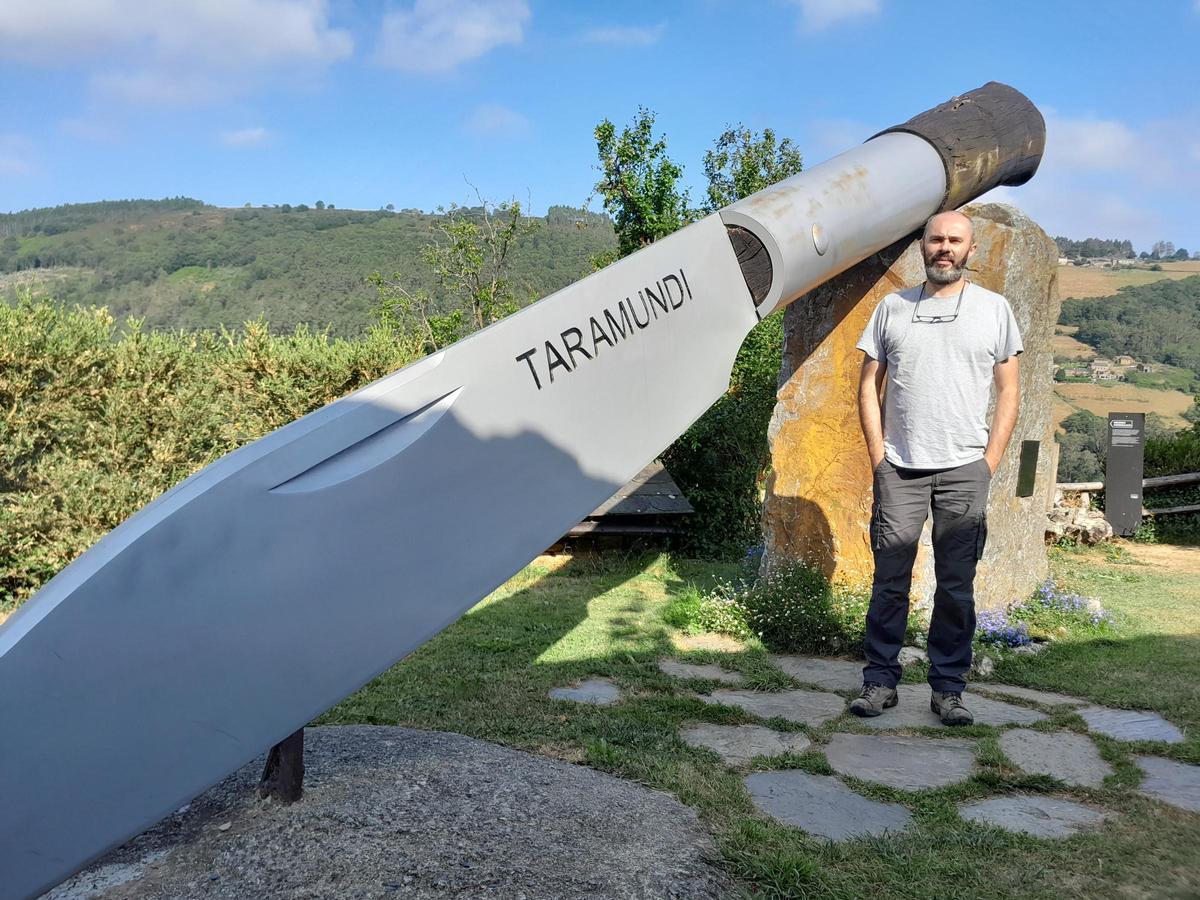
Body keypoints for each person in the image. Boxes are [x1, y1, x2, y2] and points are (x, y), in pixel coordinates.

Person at [849, 210, 1022, 726]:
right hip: (900, 467)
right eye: (936, 239)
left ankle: (948, 689)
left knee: (956, 585)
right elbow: (867, 387)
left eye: (955, 240)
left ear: (971, 250)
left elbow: (1010, 388)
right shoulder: (891, 308)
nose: (944, 247)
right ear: (922, 246)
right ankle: (879, 682)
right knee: (889, 581)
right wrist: (879, 457)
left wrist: (989, 462)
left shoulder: (994, 310)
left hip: (965, 468)